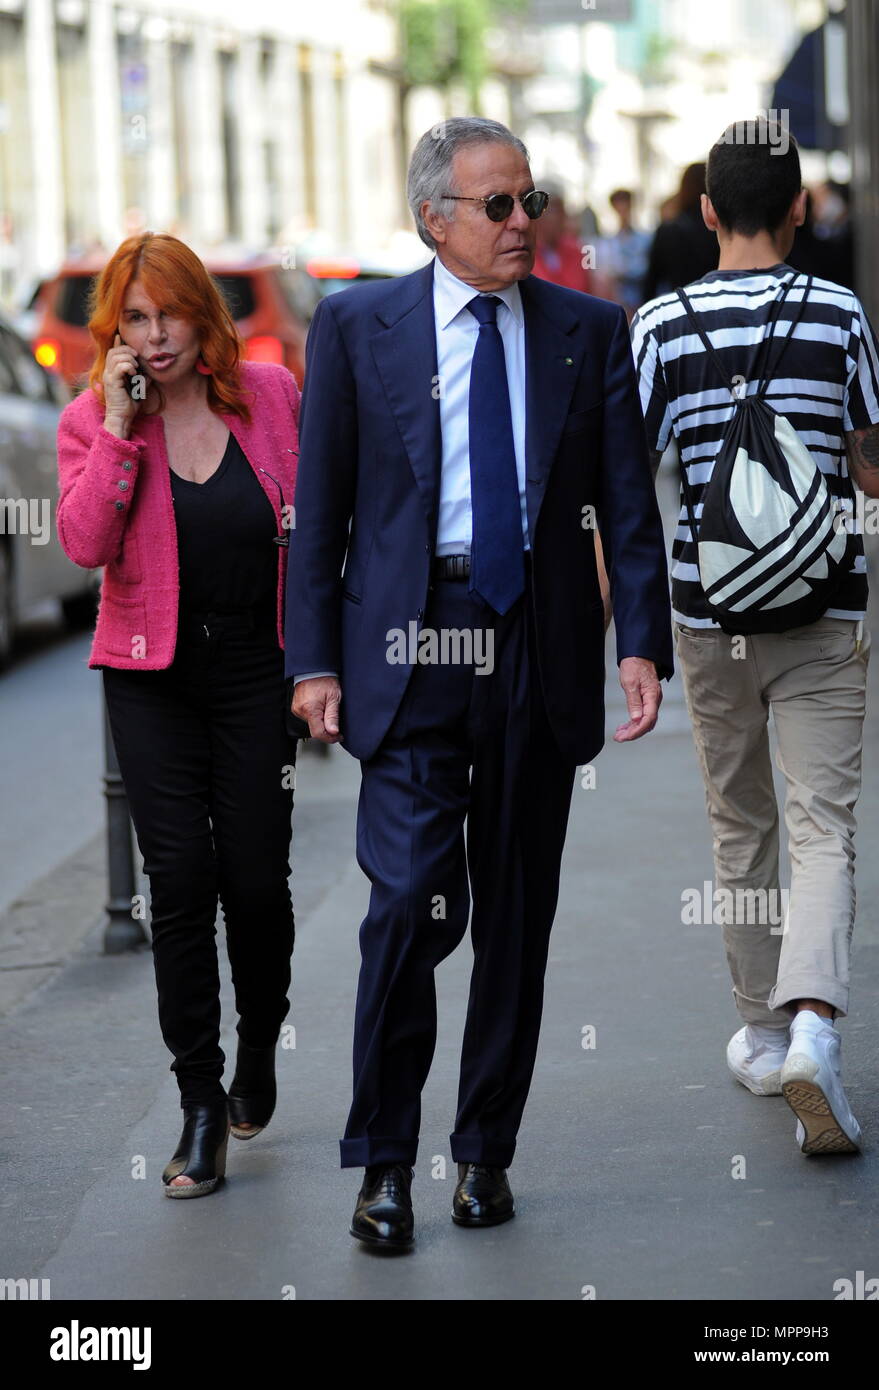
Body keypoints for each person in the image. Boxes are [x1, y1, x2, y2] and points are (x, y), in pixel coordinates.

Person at [286, 116, 673, 1249]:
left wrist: (639, 641)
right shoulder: (360, 326)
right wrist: (311, 660)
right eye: (496, 206)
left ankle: (485, 1152)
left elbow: (628, 507)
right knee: (405, 903)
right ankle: (384, 1162)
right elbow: (320, 514)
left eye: (530, 200)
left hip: (535, 648)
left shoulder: (588, 331)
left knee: (514, 916)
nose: (522, 224)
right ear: (433, 218)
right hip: (408, 650)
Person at [631, 120, 879, 1154]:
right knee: (824, 820)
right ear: (801, 210)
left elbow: (635, 474)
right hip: (826, 603)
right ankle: (817, 1022)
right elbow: (869, 461)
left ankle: (763, 1031)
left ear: (703, 212)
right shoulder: (840, 311)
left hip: (711, 613)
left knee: (744, 823)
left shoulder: (657, 325)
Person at [56, 233, 300, 1197]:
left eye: (171, 315)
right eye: (136, 321)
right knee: (181, 882)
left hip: (255, 669)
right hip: (149, 675)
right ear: (115, 333)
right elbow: (83, 542)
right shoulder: (94, 419)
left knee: (257, 880)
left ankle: (259, 1044)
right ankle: (200, 1103)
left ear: (206, 315)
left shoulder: (271, 400)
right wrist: (119, 427)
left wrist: (322, 668)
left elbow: (319, 530)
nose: (156, 339)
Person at [642, 162, 718, 302]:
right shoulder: (720, 229)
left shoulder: (668, 230)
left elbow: (651, 282)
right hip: (716, 303)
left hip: (681, 308)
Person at [601, 189, 652, 321]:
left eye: (626, 206)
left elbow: (646, 269)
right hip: (618, 304)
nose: (623, 212)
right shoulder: (608, 242)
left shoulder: (645, 239)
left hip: (642, 303)